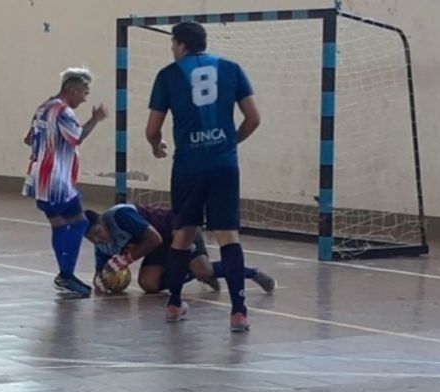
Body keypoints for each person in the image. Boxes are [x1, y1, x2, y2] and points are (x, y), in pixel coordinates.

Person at [145, 22, 261, 331]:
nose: (172, 49)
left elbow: (152, 130)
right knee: (228, 236)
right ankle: (238, 312)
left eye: (173, 43)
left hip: (188, 166)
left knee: (183, 233)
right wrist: (230, 141)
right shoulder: (232, 68)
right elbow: (253, 118)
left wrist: (158, 146)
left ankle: (173, 305)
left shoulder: (168, 75)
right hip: (224, 165)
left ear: (181, 44)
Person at [22, 67, 108, 297]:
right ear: (72, 89)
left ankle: (64, 275)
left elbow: (28, 138)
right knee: (79, 223)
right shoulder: (63, 111)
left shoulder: (44, 107)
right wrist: (95, 119)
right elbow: (77, 137)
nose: (85, 98)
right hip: (56, 179)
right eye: (84, 92)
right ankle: (66, 275)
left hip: (38, 178)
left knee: (59, 223)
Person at [84, 203, 276, 295]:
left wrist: (126, 260)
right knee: (149, 284)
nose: (97, 239)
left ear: (102, 220)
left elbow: (154, 238)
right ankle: (189, 273)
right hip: (156, 246)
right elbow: (101, 272)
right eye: (91, 238)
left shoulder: (121, 216)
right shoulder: (103, 246)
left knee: (204, 269)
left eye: (97, 232)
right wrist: (102, 282)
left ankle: (252, 273)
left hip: (176, 229)